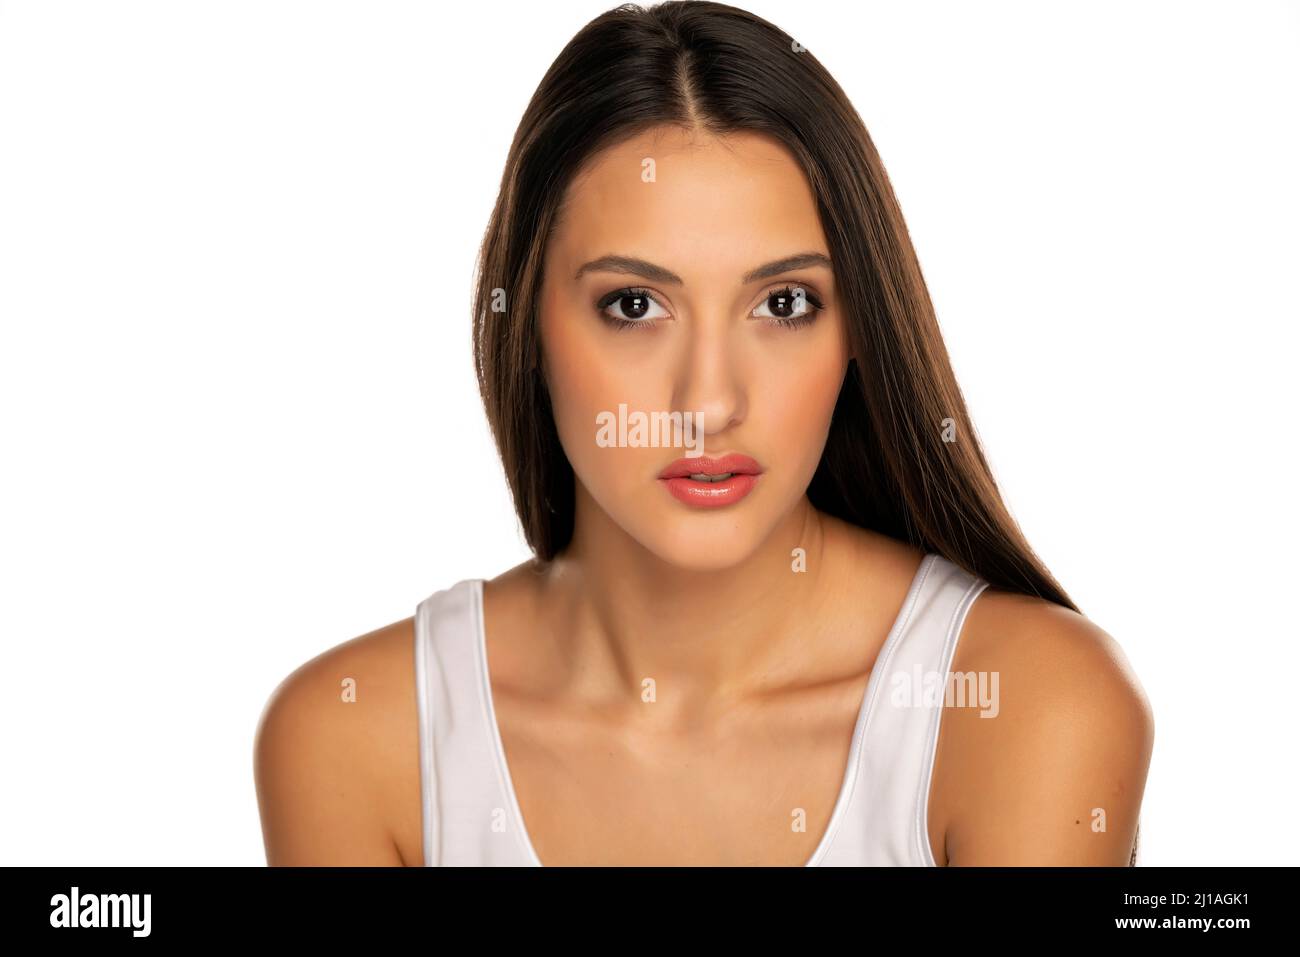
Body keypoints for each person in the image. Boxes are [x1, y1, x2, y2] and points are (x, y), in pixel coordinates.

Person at [255, 0, 1153, 866]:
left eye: (785, 303)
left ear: (857, 333)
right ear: (525, 322)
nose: (710, 401)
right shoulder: (354, 742)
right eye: (635, 305)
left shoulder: (1024, 709)